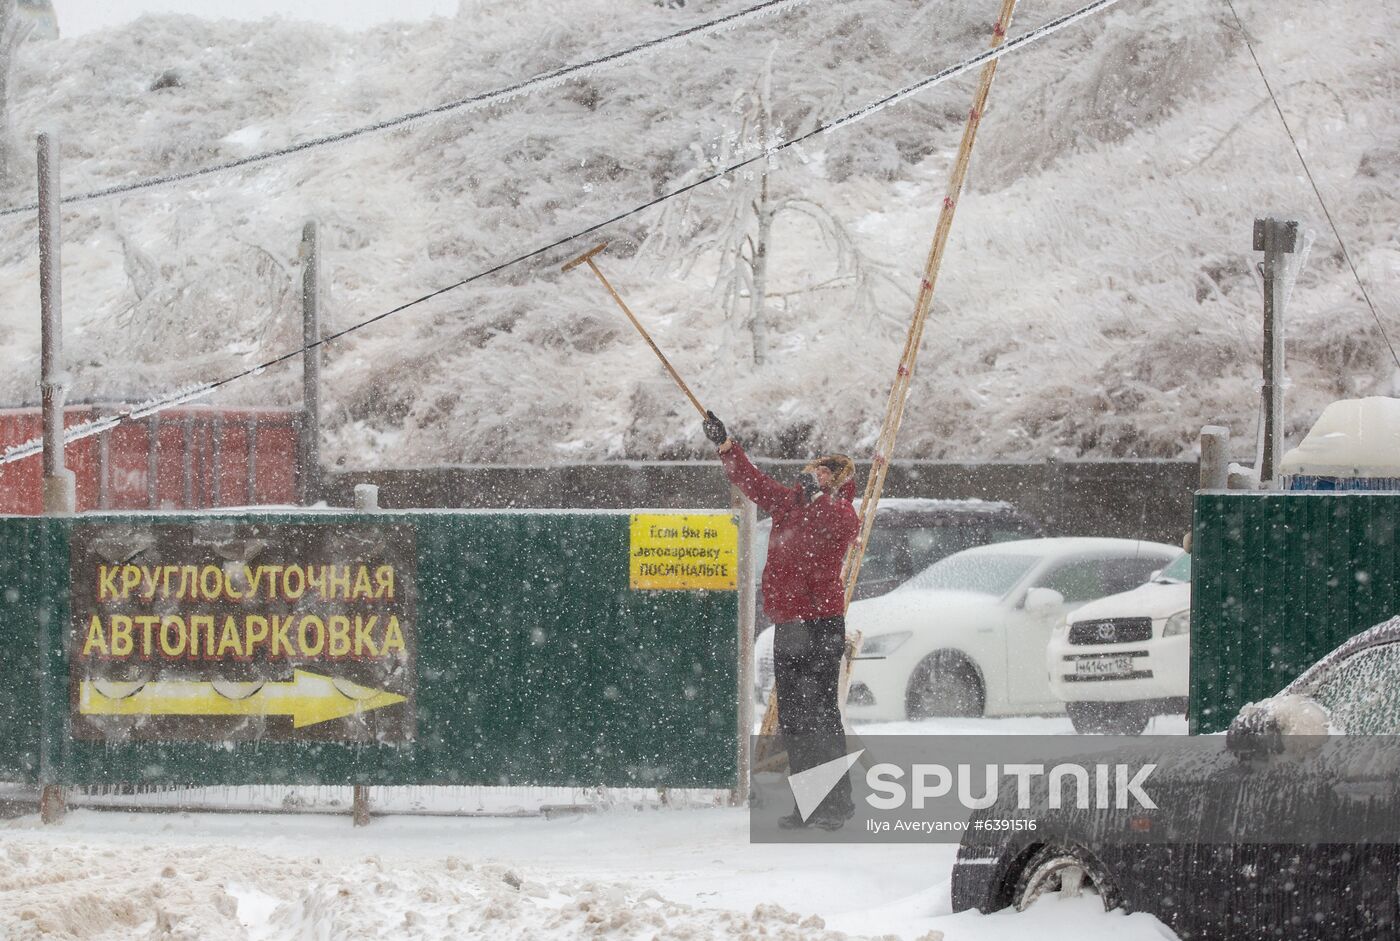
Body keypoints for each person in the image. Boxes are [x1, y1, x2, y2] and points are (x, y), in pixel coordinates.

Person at [703, 410, 859, 829]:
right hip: (789, 625)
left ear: (837, 482)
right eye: (812, 471)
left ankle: (837, 804)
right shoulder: (789, 503)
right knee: (793, 718)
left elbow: (837, 526)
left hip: (822, 625)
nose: (812, 476)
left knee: (821, 714)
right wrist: (726, 446)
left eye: (822, 473)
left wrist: (819, 498)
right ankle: (809, 803)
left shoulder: (843, 512)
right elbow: (752, 481)